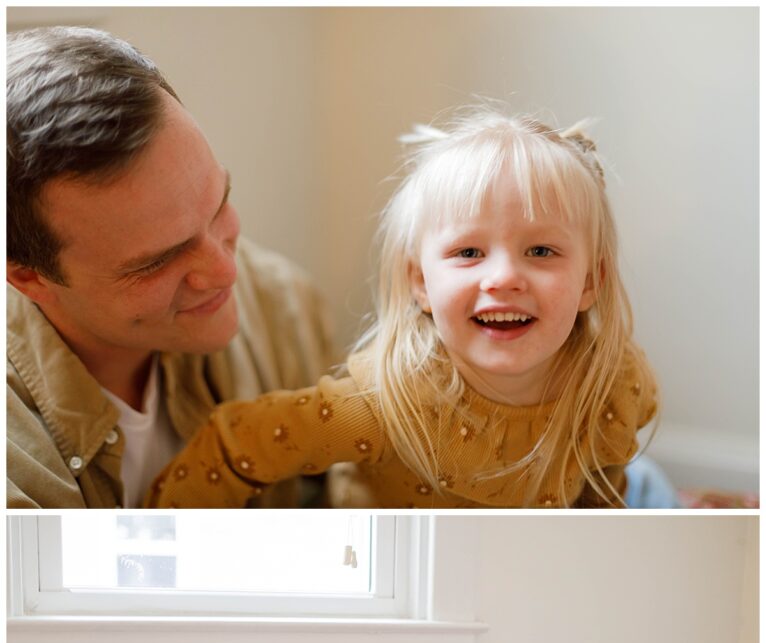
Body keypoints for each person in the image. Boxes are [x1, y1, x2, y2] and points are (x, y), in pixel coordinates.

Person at [146, 107, 659, 510]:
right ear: (420, 283)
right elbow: (237, 446)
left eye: (541, 251)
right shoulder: (381, 407)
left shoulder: (616, 385)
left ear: (592, 281)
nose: (502, 277)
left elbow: (603, 488)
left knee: (651, 493)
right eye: (468, 253)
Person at [6, 26, 334, 508]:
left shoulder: (284, 305)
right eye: (158, 261)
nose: (225, 272)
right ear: (30, 278)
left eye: (219, 205)